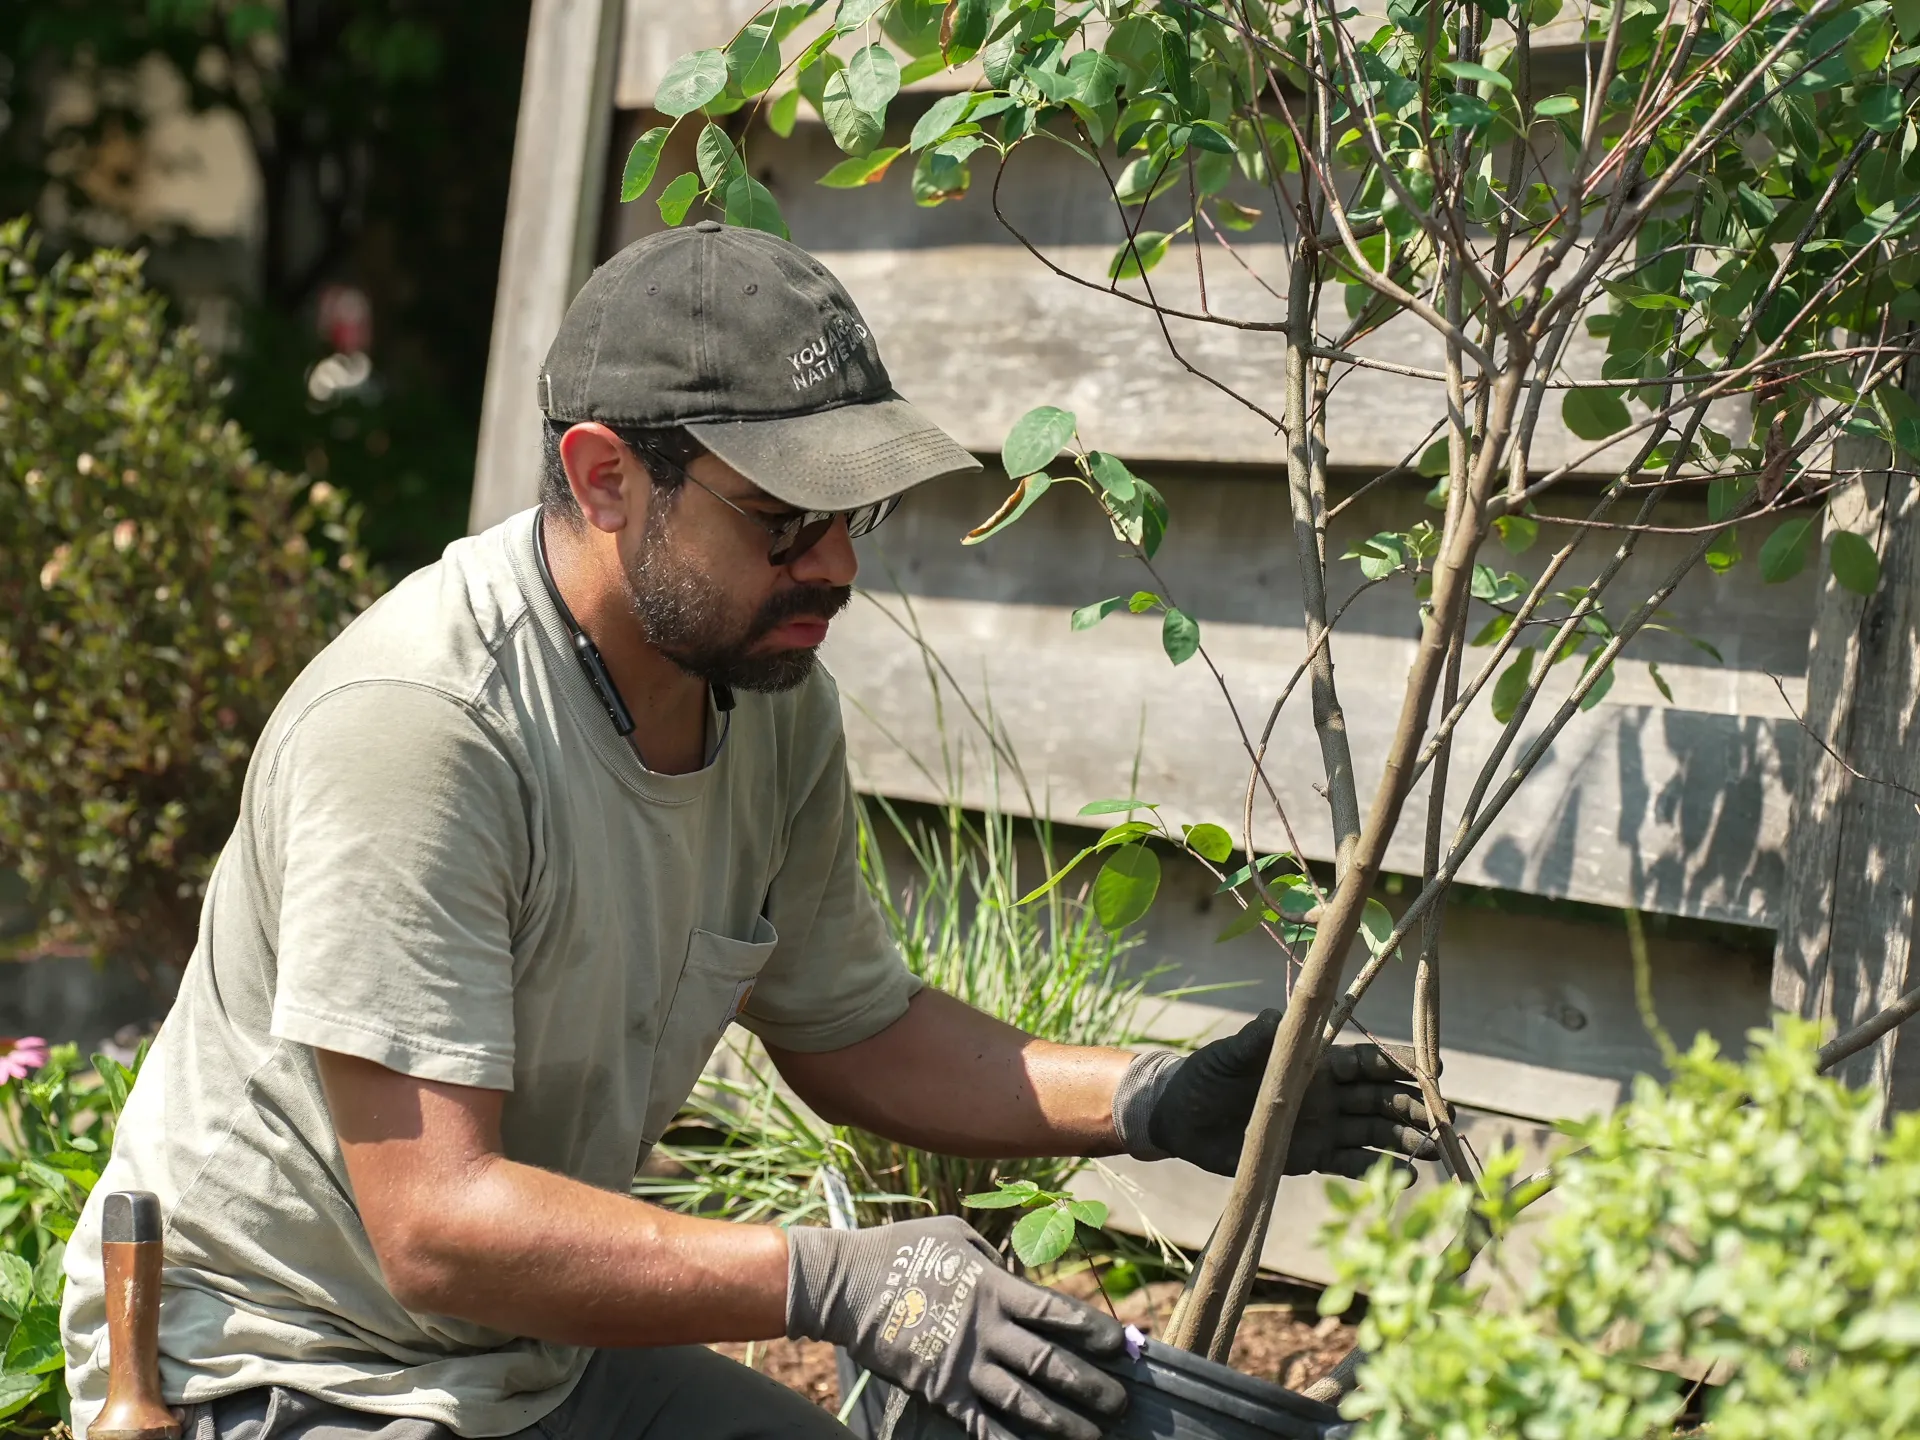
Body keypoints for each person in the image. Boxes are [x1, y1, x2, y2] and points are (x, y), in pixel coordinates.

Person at [61, 221, 1435, 1440]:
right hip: (294, 1373)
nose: (836, 564)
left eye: (854, 513)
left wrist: (1153, 1097)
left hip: (534, 1364)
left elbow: (852, 1028)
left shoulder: (767, 696)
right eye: (783, 519)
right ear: (605, 478)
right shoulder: (424, 725)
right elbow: (434, 1225)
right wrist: (830, 1280)